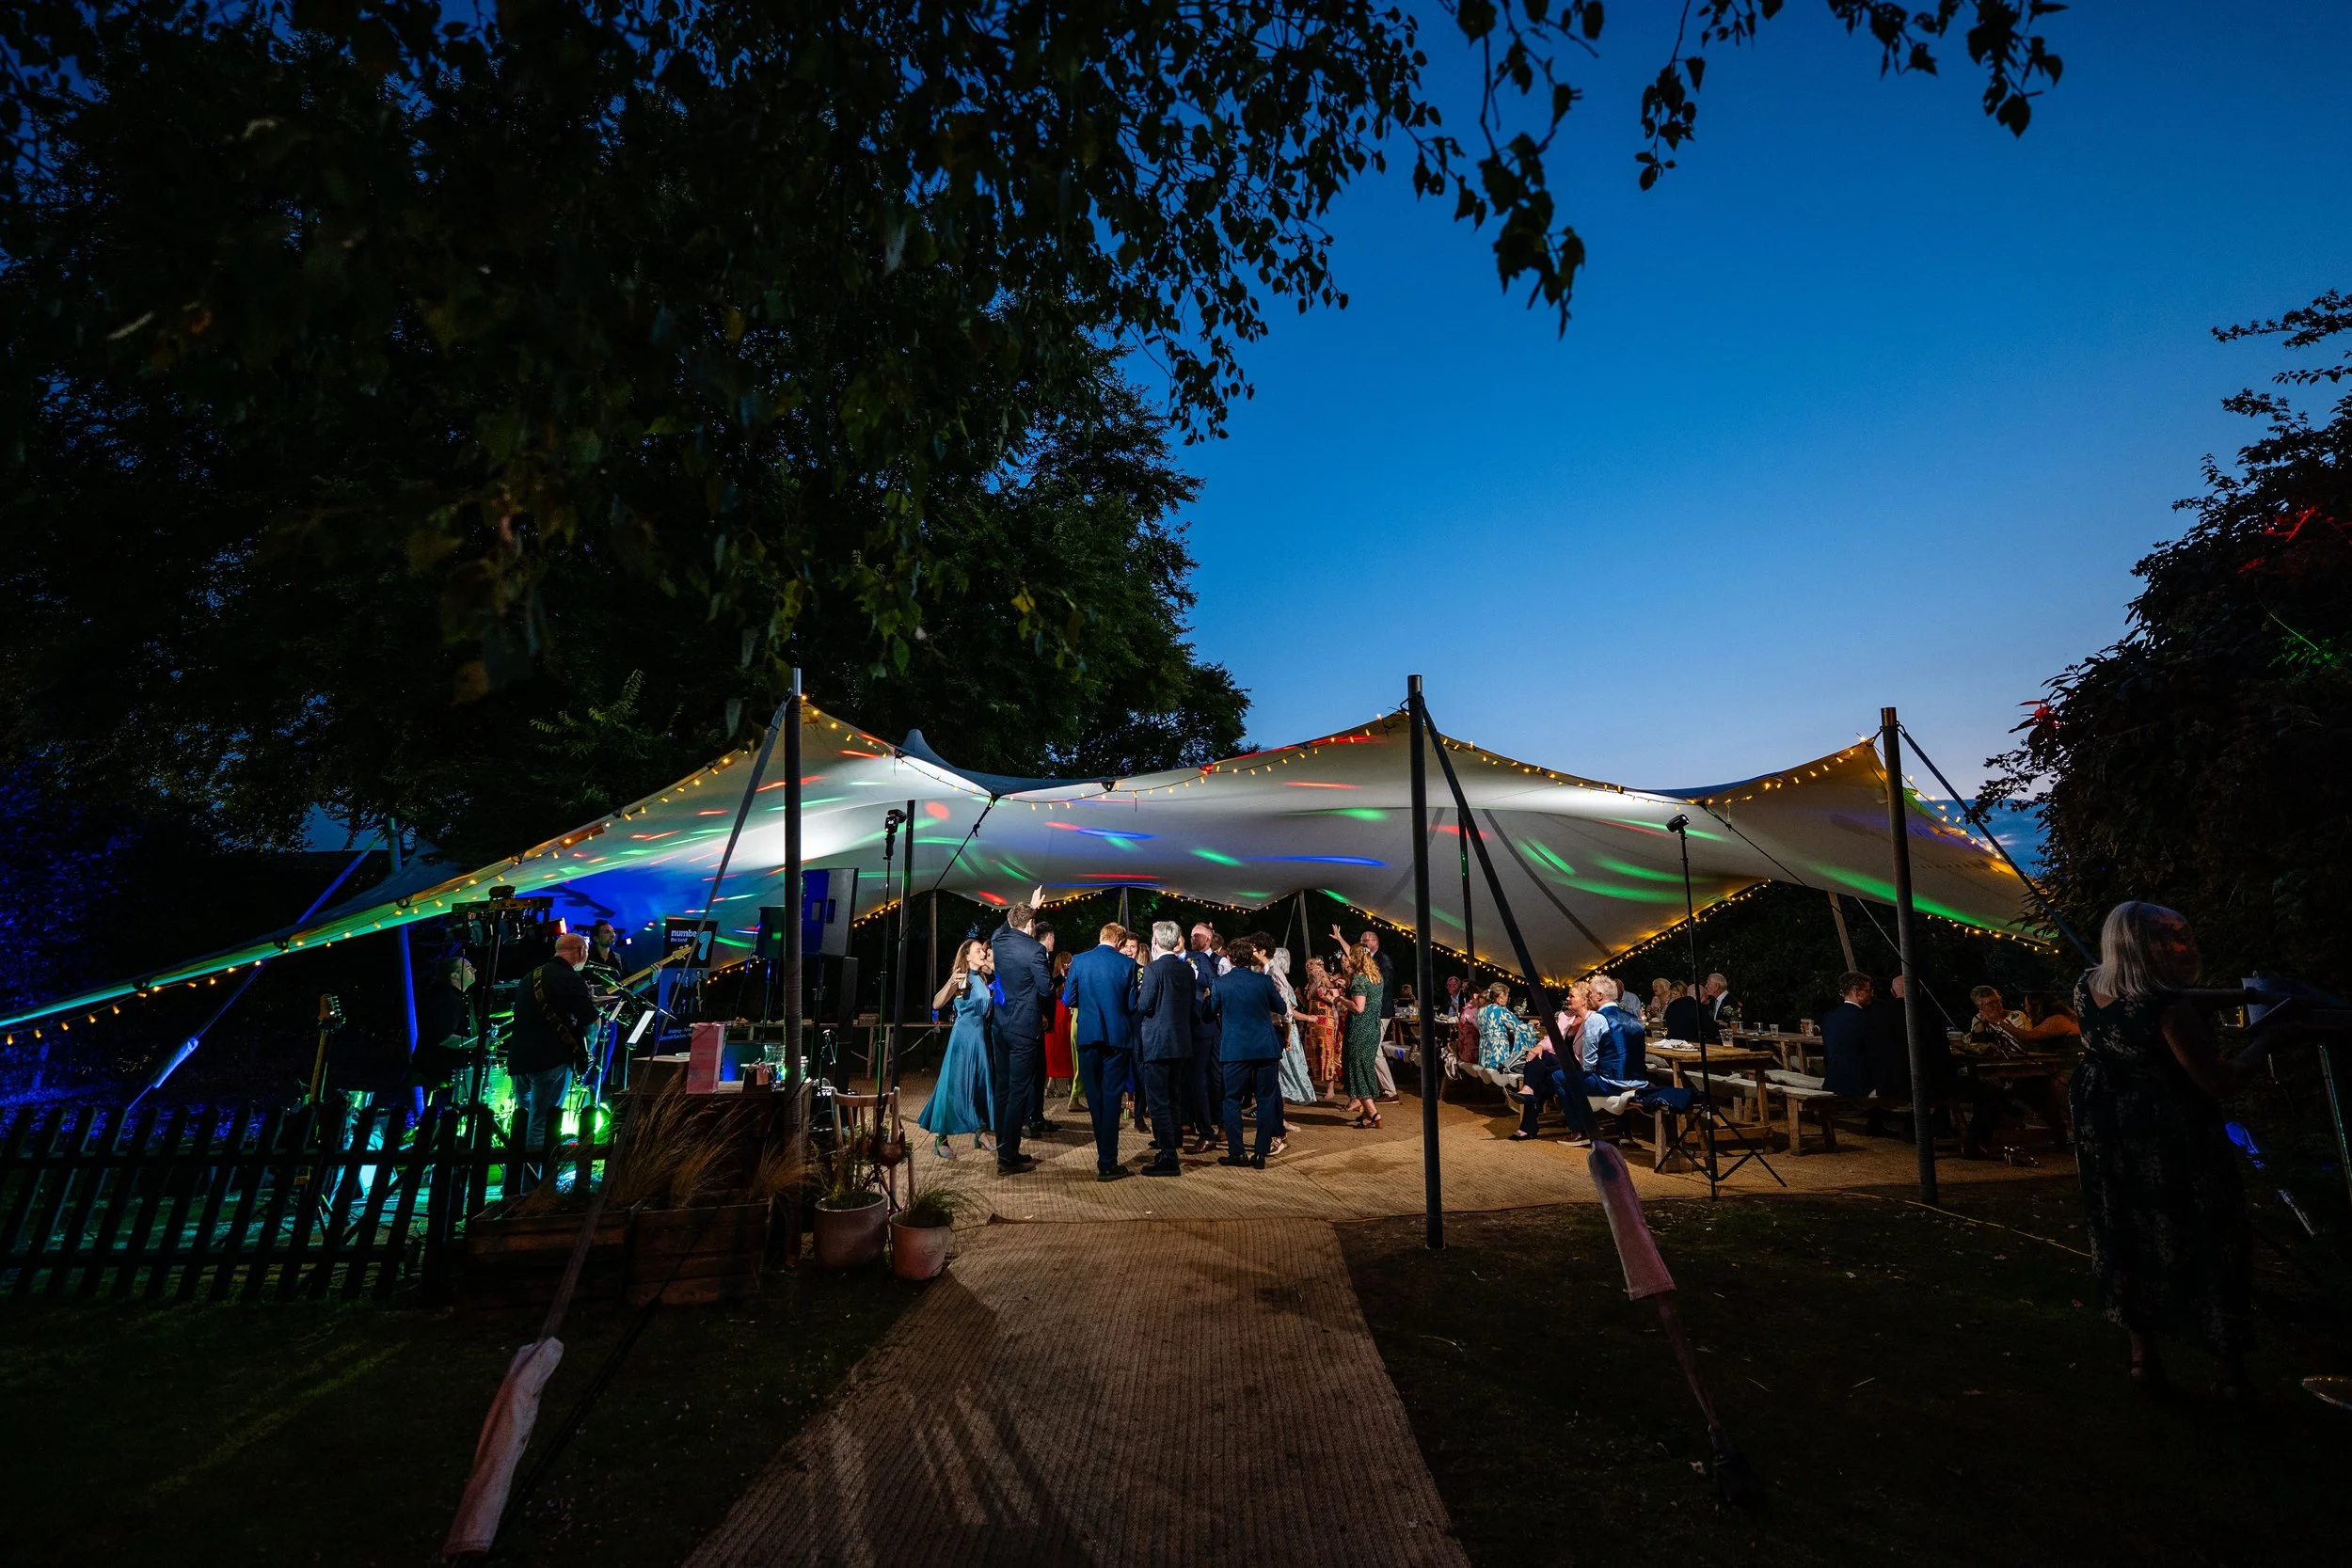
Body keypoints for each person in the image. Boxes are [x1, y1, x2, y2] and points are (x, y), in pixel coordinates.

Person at [2072, 901, 2304, 1396]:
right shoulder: (2167, 1009)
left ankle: (2142, 1359)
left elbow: (2166, 997)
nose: (2184, 946)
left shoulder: (2089, 984)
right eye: (2170, 938)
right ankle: (2229, 1371)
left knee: (2124, 1231)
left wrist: (2244, 994)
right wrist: (2270, 1033)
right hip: (2168, 1135)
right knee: (2207, 1231)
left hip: (2108, 1131)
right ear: (2141, 944)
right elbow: (2219, 1080)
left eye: (2184, 934)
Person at [506, 932, 596, 1194]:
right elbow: (592, 1022)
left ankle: (513, 1186)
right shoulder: (570, 978)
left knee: (523, 1122)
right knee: (541, 1126)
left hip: (519, 1061)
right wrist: (588, 1050)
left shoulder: (529, 977)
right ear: (580, 952)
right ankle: (532, 1193)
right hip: (551, 1060)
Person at [1063, 922, 1140, 1181]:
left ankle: (1105, 1158)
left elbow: (1067, 999)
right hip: (1117, 1038)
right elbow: (1132, 1005)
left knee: (1095, 1099)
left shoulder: (1080, 961)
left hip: (1088, 1036)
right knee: (1111, 1098)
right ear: (1119, 943)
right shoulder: (1128, 965)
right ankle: (1108, 1161)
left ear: (1100, 937)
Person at [1211, 940, 1291, 1167]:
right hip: (1264, 1047)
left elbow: (1211, 1012)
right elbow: (1282, 1008)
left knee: (1231, 1100)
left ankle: (1237, 1152)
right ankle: (1260, 1151)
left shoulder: (1220, 984)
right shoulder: (1263, 981)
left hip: (1235, 1049)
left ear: (1230, 959)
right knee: (1265, 1099)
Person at [987, 904, 1052, 1174]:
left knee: (1002, 1090)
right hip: (1024, 1030)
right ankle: (1007, 1158)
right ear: (1030, 925)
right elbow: (1046, 988)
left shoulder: (999, 941)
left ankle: (1005, 1148)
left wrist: (1029, 909)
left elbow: (1002, 927)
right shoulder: (1035, 950)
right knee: (1018, 1093)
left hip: (1000, 1026)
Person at [918, 941, 997, 1158]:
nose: (983, 952)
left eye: (983, 950)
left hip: (980, 1037)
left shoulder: (981, 977)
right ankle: (941, 1138)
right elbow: (936, 1004)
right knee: (954, 1085)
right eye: (978, 950)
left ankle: (980, 1131)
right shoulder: (961, 977)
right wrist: (951, 983)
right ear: (967, 956)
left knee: (980, 1083)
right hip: (963, 1038)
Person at [1135, 922, 1197, 1177]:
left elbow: (1145, 1005)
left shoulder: (1153, 970)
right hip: (1181, 1041)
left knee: (1158, 1101)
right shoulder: (1186, 970)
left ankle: (1168, 1156)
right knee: (1173, 1097)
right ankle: (1172, 1143)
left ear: (1157, 943)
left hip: (1159, 1043)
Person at [406, 953, 477, 1121]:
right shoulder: (446, 999)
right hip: (438, 1072)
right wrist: (480, 1043)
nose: (474, 969)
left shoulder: (460, 998)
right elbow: (444, 1038)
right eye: (467, 968)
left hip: (449, 1072)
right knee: (440, 1120)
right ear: (454, 975)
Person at [1184, 924, 1227, 1151]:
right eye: (1190, 936)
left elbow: (1218, 987)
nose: (1192, 939)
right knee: (1195, 1075)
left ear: (1208, 939)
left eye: (1196, 936)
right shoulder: (1189, 958)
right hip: (1197, 1024)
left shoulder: (1219, 962)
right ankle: (1191, 1120)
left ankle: (1221, 1123)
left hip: (1214, 1025)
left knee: (1215, 1076)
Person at [1340, 940, 1386, 1128]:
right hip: (1373, 1029)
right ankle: (1367, 1115)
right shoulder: (1376, 978)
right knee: (1365, 1068)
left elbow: (1359, 1008)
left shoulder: (1359, 979)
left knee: (1356, 1068)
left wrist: (1341, 999)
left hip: (1360, 1029)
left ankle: (1374, 1113)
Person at [1267, 946, 1316, 1124]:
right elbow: (1288, 1011)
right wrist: (1309, 1017)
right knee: (1284, 1072)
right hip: (1286, 1029)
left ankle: (1279, 1116)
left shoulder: (1274, 978)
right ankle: (1278, 1117)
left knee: (1282, 1073)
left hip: (1283, 1028)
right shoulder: (1280, 980)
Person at [1820, 971, 1878, 1101]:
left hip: (1833, 1080)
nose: (1871, 995)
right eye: (1868, 991)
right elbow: (1874, 1052)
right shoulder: (1865, 1019)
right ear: (1856, 992)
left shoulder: (1830, 1017)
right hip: (1859, 1084)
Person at [1299, 957, 1343, 1094]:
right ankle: (1310, 1086)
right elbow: (1309, 1004)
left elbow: (1333, 999)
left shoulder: (1327, 980)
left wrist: (1320, 982)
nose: (1308, 967)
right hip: (1312, 1021)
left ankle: (1330, 1088)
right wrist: (1300, 997)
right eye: (1307, 965)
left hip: (1326, 1021)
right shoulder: (1309, 983)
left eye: (1311, 964)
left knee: (1327, 1050)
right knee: (1311, 1051)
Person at [1474, 983, 1539, 1072]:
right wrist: (1531, 1024)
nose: (1507, 999)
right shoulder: (1501, 1011)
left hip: (1483, 1057)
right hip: (1497, 1056)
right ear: (1501, 996)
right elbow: (1520, 1028)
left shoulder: (1480, 1011)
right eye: (1507, 996)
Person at [1043, 948, 1077, 1115]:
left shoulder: (1053, 980)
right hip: (1064, 1013)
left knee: (1054, 1050)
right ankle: (1069, 1084)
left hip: (1056, 1013)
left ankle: (1052, 1084)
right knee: (1066, 1049)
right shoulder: (1065, 979)